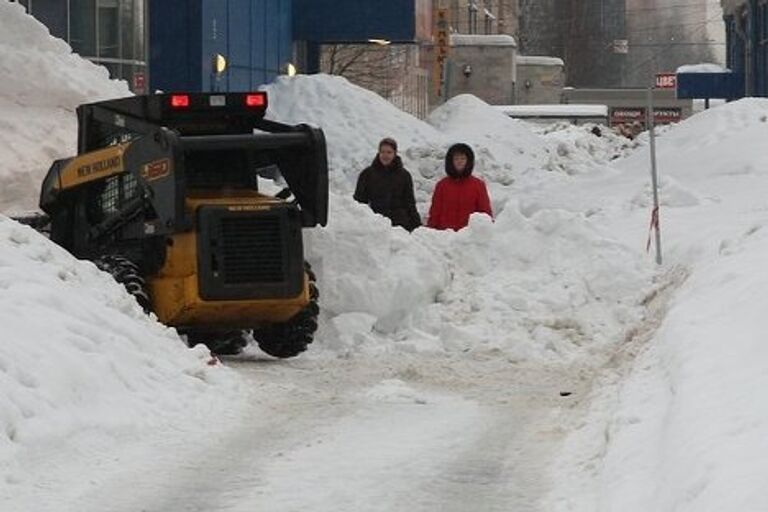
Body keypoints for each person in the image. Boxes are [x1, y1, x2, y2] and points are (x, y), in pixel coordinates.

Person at [353, 137, 422, 232]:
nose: (385, 155)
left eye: (389, 152)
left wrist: (418, 227)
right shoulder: (367, 174)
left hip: (400, 225)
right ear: (378, 153)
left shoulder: (404, 175)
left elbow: (409, 203)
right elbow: (359, 202)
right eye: (382, 152)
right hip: (376, 224)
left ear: (395, 153)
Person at [427, 143, 492, 231]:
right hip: (444, 236)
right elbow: (435, 212)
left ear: (468, 161)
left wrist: (487, 230)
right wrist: (430, 231)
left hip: (469, 237)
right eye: (456, 158)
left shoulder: (478, 185)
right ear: (451, 161)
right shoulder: (442, 185)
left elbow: (485, 213)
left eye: (463, 158)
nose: (459, 161)